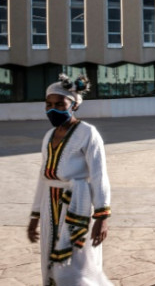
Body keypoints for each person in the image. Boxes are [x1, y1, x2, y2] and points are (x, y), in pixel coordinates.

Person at [28, 74, 112, 285]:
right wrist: (35, 215)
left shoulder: (88, 133)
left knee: (78, 266)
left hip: (77, 207)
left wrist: (102, 217)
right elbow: (43, 177)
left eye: (59, 104)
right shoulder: (48, 136)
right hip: (49, 206)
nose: (52, 109)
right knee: (50, 258)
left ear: (73, 105)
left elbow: (99, 175)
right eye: (48, 104)